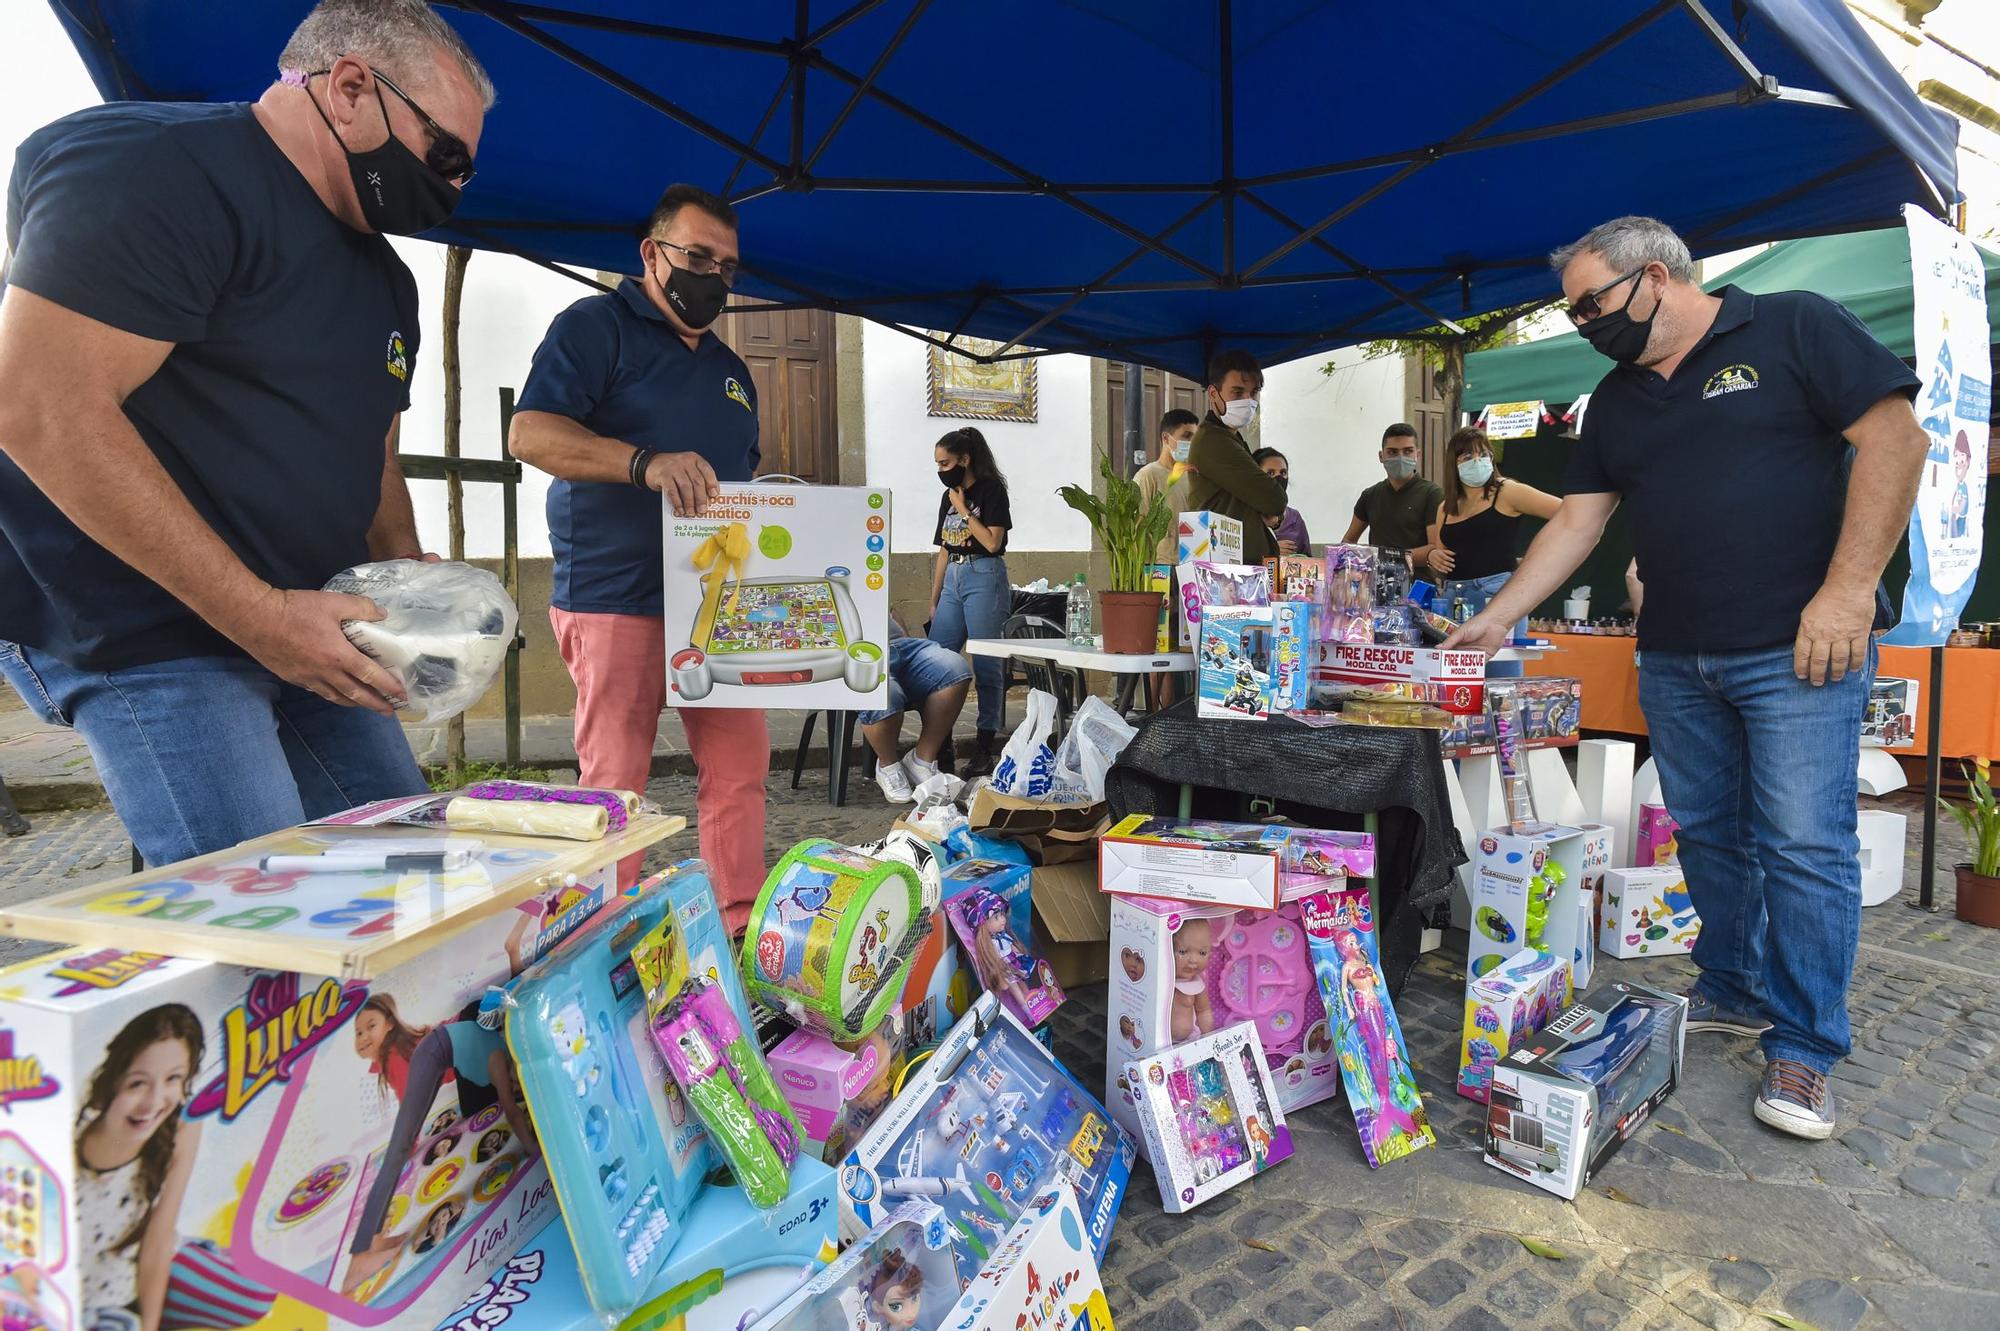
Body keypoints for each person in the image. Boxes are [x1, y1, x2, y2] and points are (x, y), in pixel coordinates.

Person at [1447, 216, 1927, 1140]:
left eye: (1593, 303)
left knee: (1802, 842)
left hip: (1799, 647)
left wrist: (1848, 590)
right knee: (1708, 832)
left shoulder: (1793, 324)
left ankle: (1807, 1043)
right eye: (1574, 311)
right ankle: (1736, 983)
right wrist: (1501, 612)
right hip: (1673, 651)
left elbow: (1896, 443)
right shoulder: (1615, 399)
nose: (1584, 323)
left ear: (1657, 277)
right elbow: (1578, 525)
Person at [0, 0, 493, 867]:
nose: (453, 187)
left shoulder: (386, 282)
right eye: (445, 154)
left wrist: (407, 571)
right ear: (349, 88)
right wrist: (260, 617)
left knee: (410, 873)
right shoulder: (158, 169)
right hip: (148, 627)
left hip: (307, 619)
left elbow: (371, 446)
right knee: (266, 904)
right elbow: (37, 404)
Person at [510, 183, 767, 926]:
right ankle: (593, 934)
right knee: (615, 784)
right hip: (614, 599)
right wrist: (642, 462)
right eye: (698, 256)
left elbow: (743, 483)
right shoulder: (595, 328)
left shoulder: (733, 373)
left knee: (742, 770)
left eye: (727, 267)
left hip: (718, 611)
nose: (713, 277)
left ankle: (737, 922)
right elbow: (529, 434)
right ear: (652, 254)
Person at [77, 1005, 205, 1331]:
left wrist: (149, 1326)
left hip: (126, 1289)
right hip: (74, 1302)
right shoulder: (75, 1125)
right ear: (114, 1080)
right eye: (137, 1084)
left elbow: (159, 1240)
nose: (153, 1102)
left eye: (173, 1078)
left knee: (249, 1292)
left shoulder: (183, 1124)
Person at [1423, 425, 1562, 677]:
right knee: (1456, 682)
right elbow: (1442, 559)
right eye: (1467, 457)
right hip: (1454, 598)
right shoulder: (1445, 507)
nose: (1477, 461)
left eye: (1483, 454)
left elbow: (1569, 515)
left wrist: (1534, 558)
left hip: (1497, 594)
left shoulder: (1507, 491)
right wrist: (1433, 556)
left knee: (1500, 684)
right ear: (1453, 464)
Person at [927, 427, 1011, 774]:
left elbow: (992, 542)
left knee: (988, 667)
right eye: (937, 464)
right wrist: (934, 600)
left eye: (945, 462)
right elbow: (945, 549)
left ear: (965, 459)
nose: (941, 470)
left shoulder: (991, 491)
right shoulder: (948, 495)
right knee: (934, 663)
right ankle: (939, 747)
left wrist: (963, 509)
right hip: (954, 580)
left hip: (984, 576)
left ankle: (984, 747)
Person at [1185, 351, 1289, 566]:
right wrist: (1273, 510)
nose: (1248, 401)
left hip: (1240, 566)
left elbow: (1268, 505)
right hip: (1224, 570)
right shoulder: (1213, 441)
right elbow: (1274, 499)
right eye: (1237, 392)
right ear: (1213, 393)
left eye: (1254, 393)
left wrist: (1275, 518)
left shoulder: (1230, 436)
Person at [861, 614, 972, 803]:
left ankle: (921, 761)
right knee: (885, 692)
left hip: (900, 645)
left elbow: (890, 607)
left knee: (955, 668)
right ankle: (888, 766)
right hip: (856, 653)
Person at [1342, 423, 1445, 570]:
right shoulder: (1370, 495)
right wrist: (1340, 563)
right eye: (1392, 452)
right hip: (1376, 586)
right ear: (1381, 456)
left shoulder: (1432, 494)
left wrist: (1386, 558)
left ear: (1418, 455)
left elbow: (1435, 549)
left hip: (1417, 587)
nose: (1400, 458)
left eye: (1408, 451)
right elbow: (1349, 540)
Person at [1135, 408, 1200, 562]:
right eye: (1186, 436)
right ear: (1166, 438)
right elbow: (1138, 526)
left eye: (1194, 438)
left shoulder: (1192, 476)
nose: (1191, 443)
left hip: (1191, 566)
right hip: (1160, 569)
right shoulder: (1148, 475)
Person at [1251, 448, 1312, 556]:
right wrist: (1271, 549)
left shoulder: (1294, 518)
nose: (1278, 478)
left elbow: (1308, 560)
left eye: (1283, 472)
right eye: (1270, 473)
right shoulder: (1245, 515)